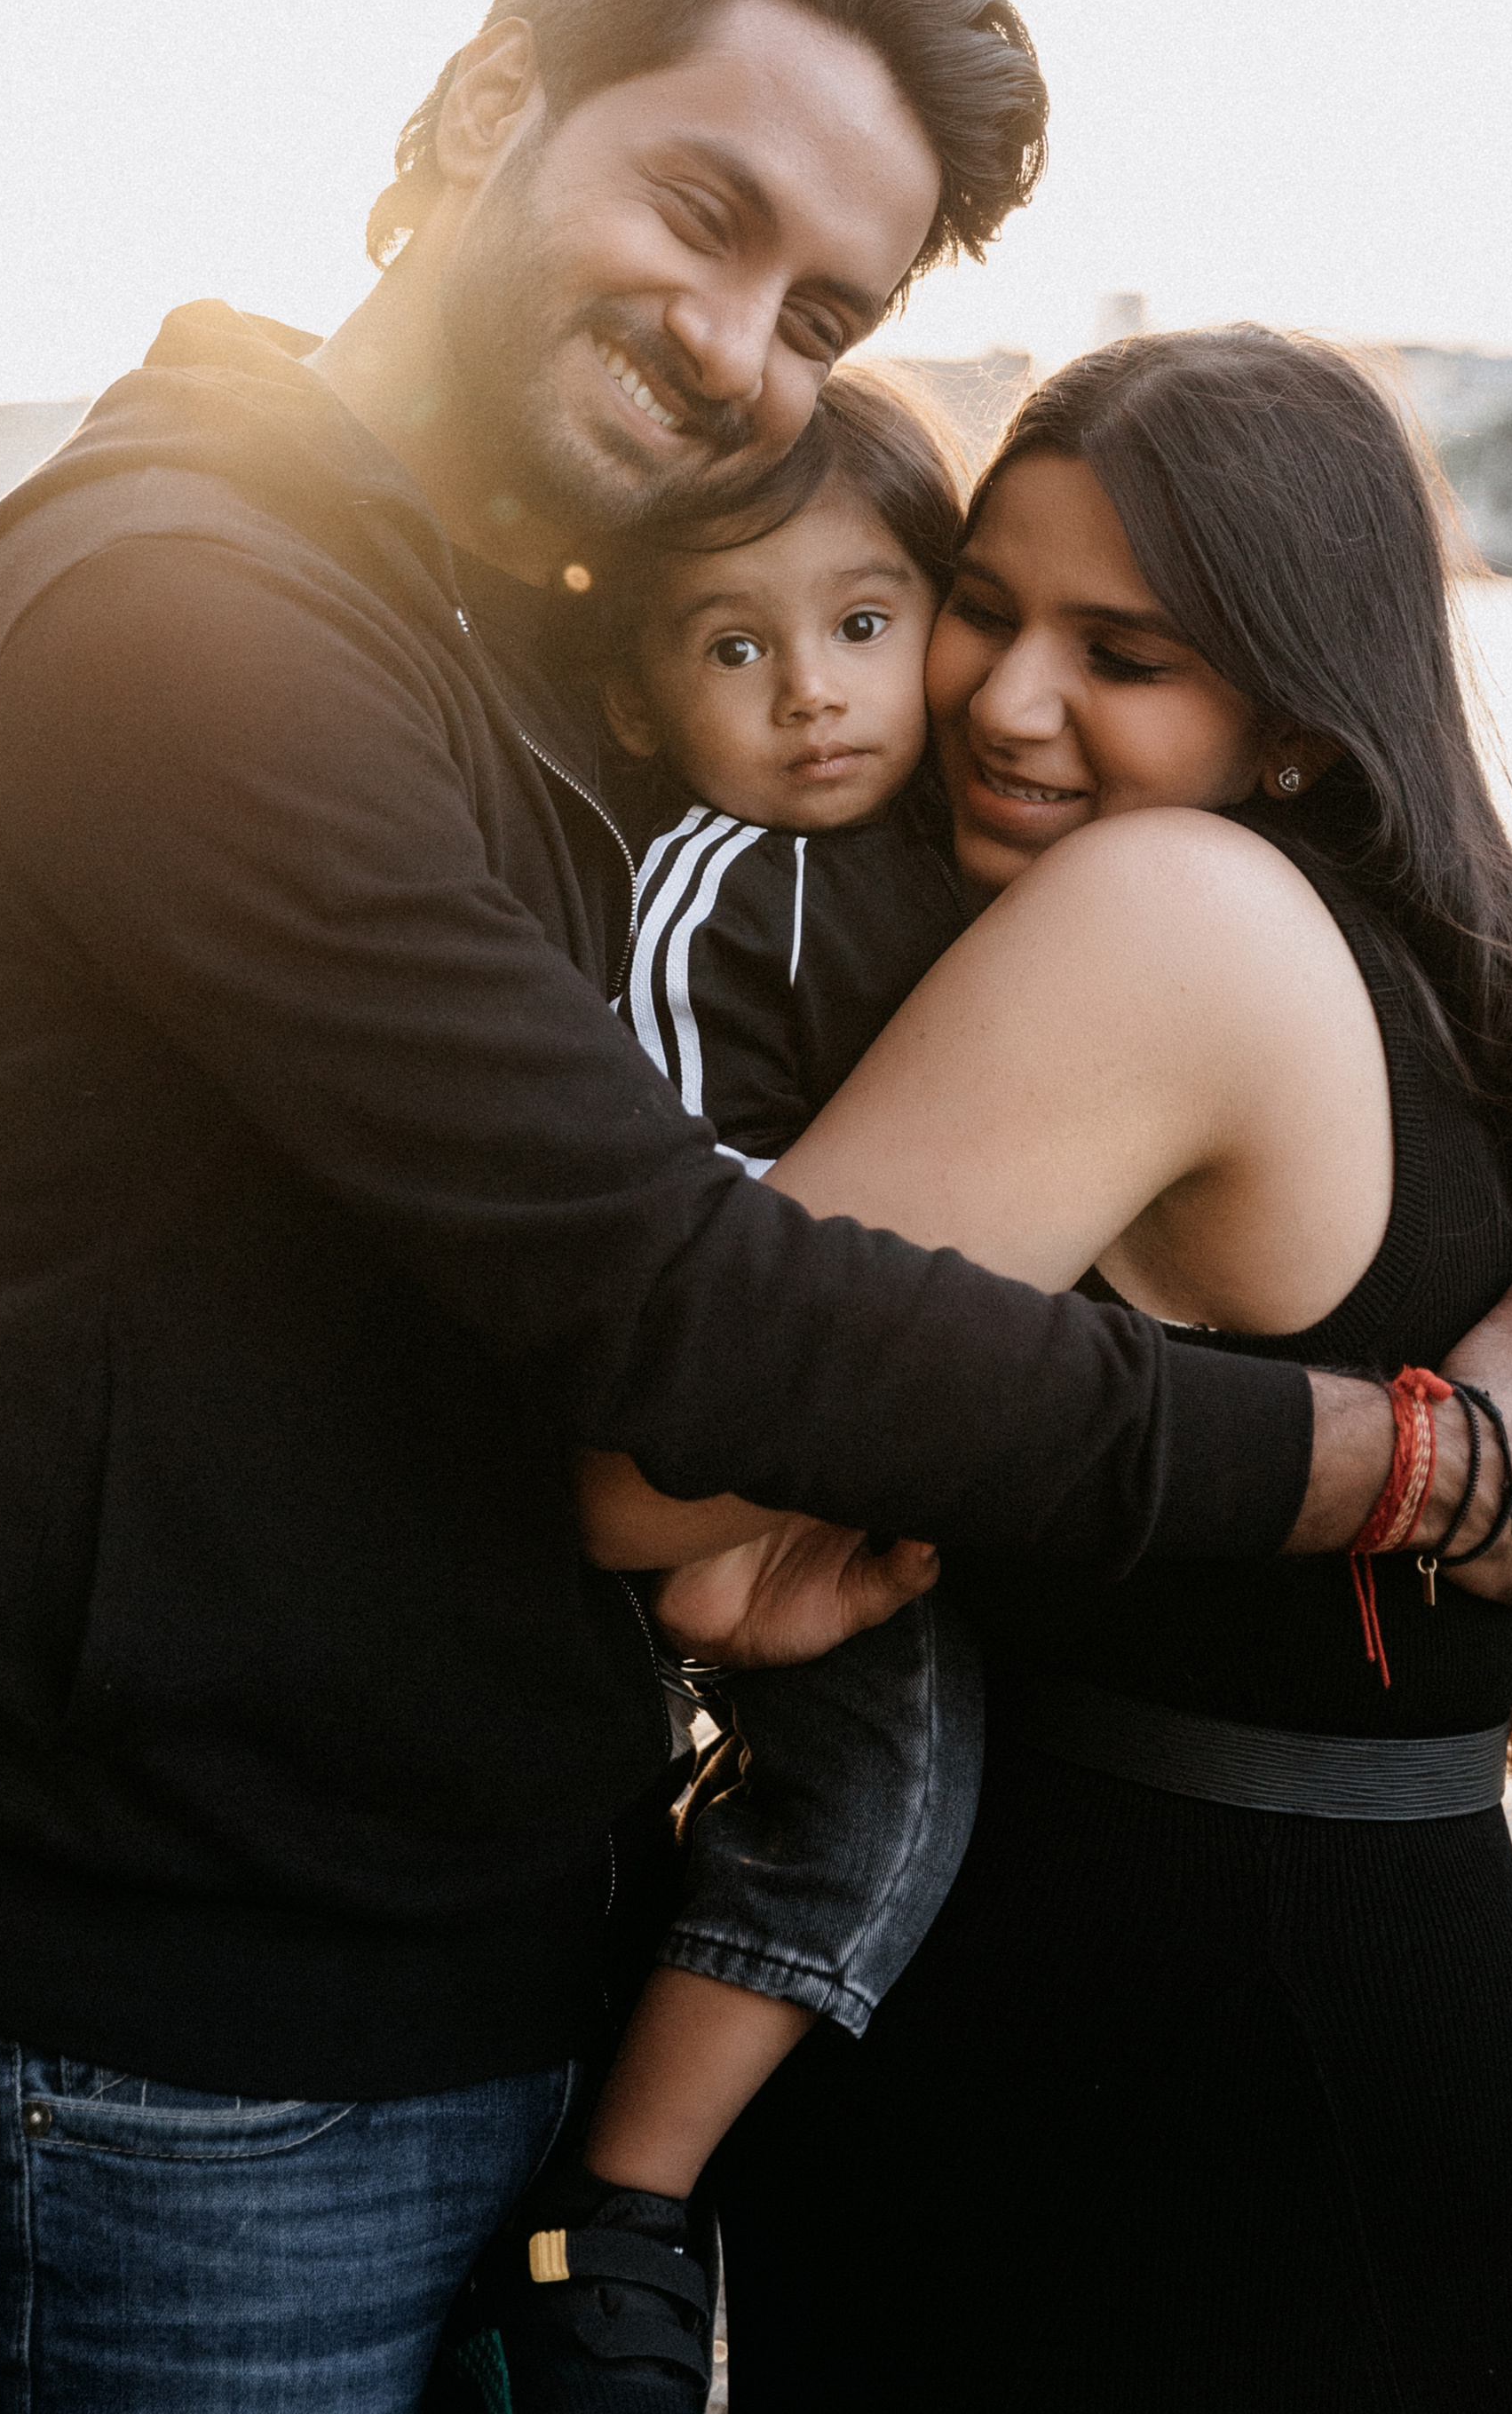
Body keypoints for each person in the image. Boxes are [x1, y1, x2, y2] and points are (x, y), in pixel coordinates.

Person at [0, 0, 1512, 2411]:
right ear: (494, 107)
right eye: (703, 215)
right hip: (202, 2049)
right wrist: (1402, 1461)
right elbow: (681, 1319)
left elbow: (918, 1054)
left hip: (522, 1964)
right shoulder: (193, 618)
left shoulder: (576, 650)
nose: (736, 346)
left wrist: (1496, 1194)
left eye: (824, 312)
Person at [598, 328, 1512, 2410]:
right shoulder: (1421, 956)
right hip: (1335, 2014)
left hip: (1143, 2074)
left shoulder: (1159, 908)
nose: (1000, 700)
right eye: (980, 608)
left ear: (1287, 717)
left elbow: (653, 1471)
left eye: (1123, 653)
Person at [489, 368, 989, 2407]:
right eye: (736, 646)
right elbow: (684, 1215)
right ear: (639, 701)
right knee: (866, 1803)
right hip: (764, 1458)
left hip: (867, 1432)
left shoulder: (934, 846)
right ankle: (613, 2213)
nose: (813, 694)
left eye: (863, 627)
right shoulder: (718, 881)